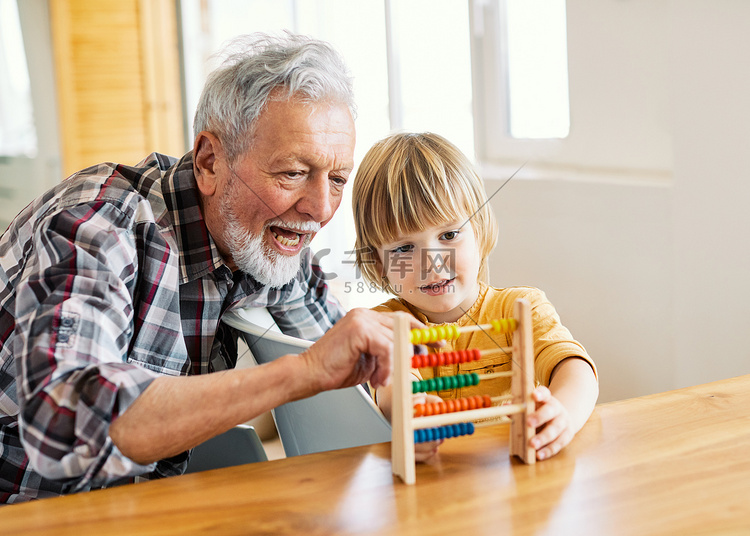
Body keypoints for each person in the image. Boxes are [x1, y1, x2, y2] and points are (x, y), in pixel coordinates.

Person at [0, 33, 422, 504]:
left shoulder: (267, 239)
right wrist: (300, 371)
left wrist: (406, 402)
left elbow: (355, 376)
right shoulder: (99, 225)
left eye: (337, 179)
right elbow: (68, 425)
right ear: (209, 161)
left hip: (144, 510)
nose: (320, 209)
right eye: (292, 173)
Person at [352, 132, 599, 462]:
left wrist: (563, 413)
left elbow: (574, 368)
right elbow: (392, 387)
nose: (432, 263)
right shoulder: (386, 326)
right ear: (378, 262)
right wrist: (409, 413)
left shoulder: (521, 308)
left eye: (450, 234)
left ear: (479, 231)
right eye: (404, 248)